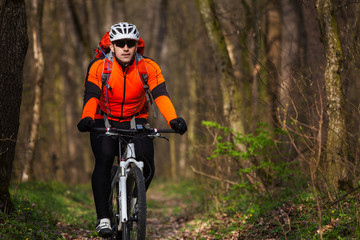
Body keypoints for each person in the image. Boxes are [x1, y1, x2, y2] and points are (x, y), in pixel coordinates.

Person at [77, 22, 187, 238]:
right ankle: (104, 218)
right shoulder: (100, 68)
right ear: (111, 46)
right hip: (103, 119)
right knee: (105, 159)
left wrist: (173, 119)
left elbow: (160, 95)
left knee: (146, 163)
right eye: (120, 43)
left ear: (137, 46)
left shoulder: (148, 67)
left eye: (130, 43)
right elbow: (91, 96)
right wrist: (87, 118)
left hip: (136, 119)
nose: (125, 47)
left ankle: (136, 201)